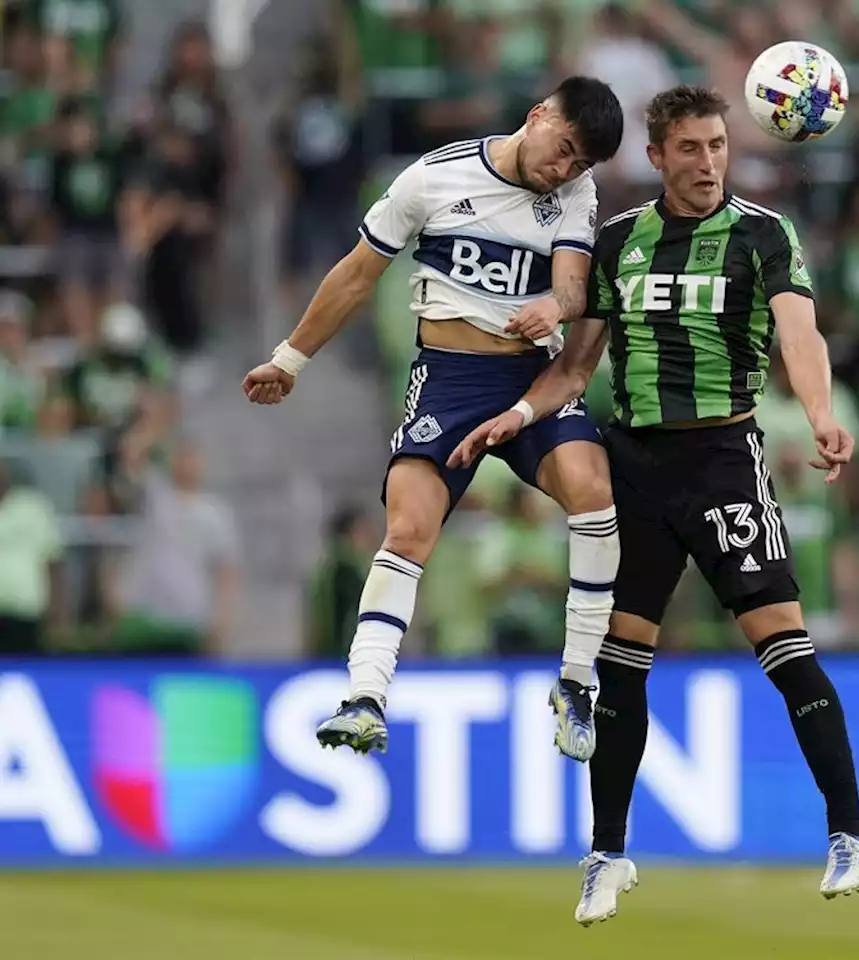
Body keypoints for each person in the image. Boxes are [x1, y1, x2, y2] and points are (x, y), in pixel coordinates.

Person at [450, 85, 859, 921]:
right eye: (691, 148)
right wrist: (519, 413)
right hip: (635, 467)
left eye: (718, 145)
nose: (709, 162)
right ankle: (607, 853)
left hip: (723, 458)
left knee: (781, 643)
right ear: (657, 157)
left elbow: (801, 333)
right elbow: (574, 370)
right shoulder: (618, 242)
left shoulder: (762, 235)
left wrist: (821, 414)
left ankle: (848, 831)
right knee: (623, 657)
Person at [242, 76, 624, 763]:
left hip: (530, 381)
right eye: (562, 149)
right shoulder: (434, 178)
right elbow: (357, 274)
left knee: (594, 490)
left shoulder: (573, 193)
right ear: (537, 115)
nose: (563, 170)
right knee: (409, 526)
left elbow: (570, 283)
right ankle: (364, 697)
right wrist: (289, 359)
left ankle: (575, 682)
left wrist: (557, 309)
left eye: (580, 164)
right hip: (449, 380)